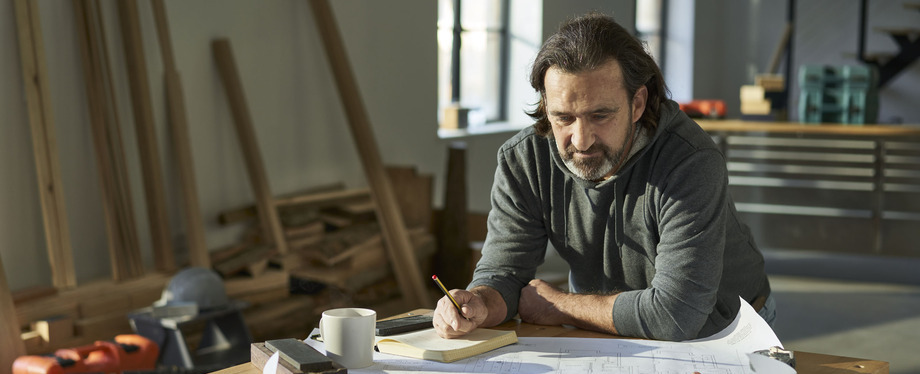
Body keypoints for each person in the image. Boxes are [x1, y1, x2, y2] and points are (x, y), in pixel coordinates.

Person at [432, 12, 774, 341]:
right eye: (563, 117)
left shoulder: (690, 162)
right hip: (602, 328)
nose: (581, 140)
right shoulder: (523, 160)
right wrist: (479, 302)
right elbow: (504, 274)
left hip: (723, 333)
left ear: (637, 103)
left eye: (600, 115)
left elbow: (676, 314)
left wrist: (560, 306)